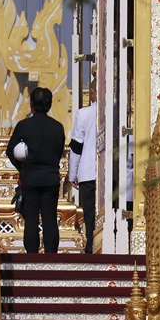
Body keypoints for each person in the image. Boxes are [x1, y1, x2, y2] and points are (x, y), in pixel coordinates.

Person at [6, 87, 65, 253]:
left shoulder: (24, 126)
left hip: (30, 177)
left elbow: (10, 151)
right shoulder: (57, 127)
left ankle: (31, 255)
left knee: (31, 219)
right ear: (49, 105)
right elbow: (59, 151)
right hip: (50, 177)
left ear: (31, 104)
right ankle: (51, 256)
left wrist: (23, 167)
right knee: (49, 219)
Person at [68, 80, 97, 253]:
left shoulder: (84, 114)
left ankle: (91, 245)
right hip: (110, 173)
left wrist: (72, 174)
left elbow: (76, 147)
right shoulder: (116, 112)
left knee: (90, 213)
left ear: (92, 92)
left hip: (87, 172)